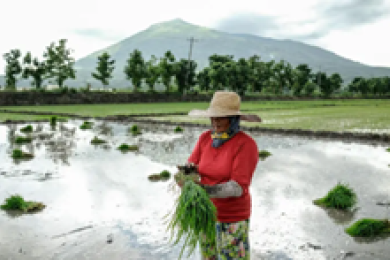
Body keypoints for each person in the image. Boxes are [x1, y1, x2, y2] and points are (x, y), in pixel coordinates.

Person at [180, 91, 261, 260]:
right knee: (209, 257)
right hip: (206, 213)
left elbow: (237, 187)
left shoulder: (245, 144)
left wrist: (203, 190)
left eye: (220, 118)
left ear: (233, 119)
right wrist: (185, 177)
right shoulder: (205, 139)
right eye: (213, 118)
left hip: (232, 217)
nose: (215, 122)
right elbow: (192, 165)